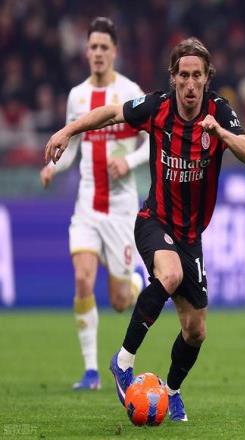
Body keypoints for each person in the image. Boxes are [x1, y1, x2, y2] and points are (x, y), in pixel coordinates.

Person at [44, 37, 245, 421]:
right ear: (173, 78)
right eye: (183, 76)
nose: (190, 84)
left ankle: (171, 392)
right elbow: (110, 114)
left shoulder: (219, 111)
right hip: (154, 221)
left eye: (197, 76)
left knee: (195, 331)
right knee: (169, 274)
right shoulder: (157, 107)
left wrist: (221, 134)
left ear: (207, 78)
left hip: (191, 237)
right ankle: (123, 361)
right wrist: (67, 131)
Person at [39, 17, 149, 391]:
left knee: (119, 301)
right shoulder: (77, 96)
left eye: (105, 47)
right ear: (86, 52)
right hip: (87, 203)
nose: (98, 53)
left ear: (114, 51)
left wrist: (129, 162)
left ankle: (135, 282)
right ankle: (90, 372)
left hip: (121, 209)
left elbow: (152, 141)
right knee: (83, 278)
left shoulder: (130, 91)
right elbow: (72, 147)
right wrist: (54, 167)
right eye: (93, 47)